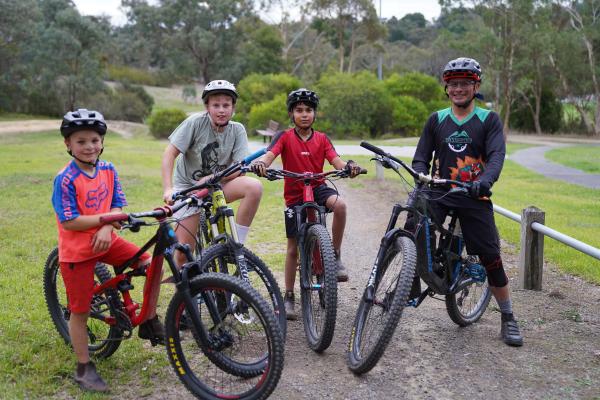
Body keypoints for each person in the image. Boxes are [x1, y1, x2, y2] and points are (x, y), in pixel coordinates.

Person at [411, 57, 523, 346]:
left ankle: (508, 316)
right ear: (446, 88)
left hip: (474, 192)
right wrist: (421, 173)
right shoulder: (436, 119)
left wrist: (485, 181)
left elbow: (497, 155)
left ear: (476, 86)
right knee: (413, 218)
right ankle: (412, 279)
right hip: (441, 189)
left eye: (465, 84)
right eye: (453, 84)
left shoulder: (489, 119)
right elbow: (421, 155)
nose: (459, 89)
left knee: (490, 255)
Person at [51, 109, 164, 392]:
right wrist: (105, 221)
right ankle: (83, 367)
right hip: (77, 251)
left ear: (102, 141)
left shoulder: (108, 169)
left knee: (150, 264)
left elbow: (117, 204)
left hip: (107, 239)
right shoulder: (65, 178)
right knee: (79, 311)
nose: (89, 146)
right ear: (68, 144)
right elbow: (69, 220)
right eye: (81, 141)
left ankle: (148, 320)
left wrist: (107, 226)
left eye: (94, 140)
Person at [251, 88, 362, 320]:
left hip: (319, 187)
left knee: (340, 205)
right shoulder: (284, 136)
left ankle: (336, 254)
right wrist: (262, 163)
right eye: (299, 110)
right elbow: (270, 155)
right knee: (292, 248)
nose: (304, 114)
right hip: (295, 194)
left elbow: (335, 160)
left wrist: (348, 167)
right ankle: (289, 295)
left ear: (315, 114)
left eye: (309, 110)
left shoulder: (322, 138)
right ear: (291, 114)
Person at [161, 80, 262, 265]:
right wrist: (168, 189)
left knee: (254, 187)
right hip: (189, 189)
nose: (221, 110)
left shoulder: (237, 129)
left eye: (226, 105)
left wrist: (213, 177)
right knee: (184, 251)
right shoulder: (195, 123)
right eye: (216, 105)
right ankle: (186, 291)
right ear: (207, 107)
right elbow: (170, 154)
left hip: (217, 186)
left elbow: (240, 168)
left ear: (233, 108)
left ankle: (236, 246)